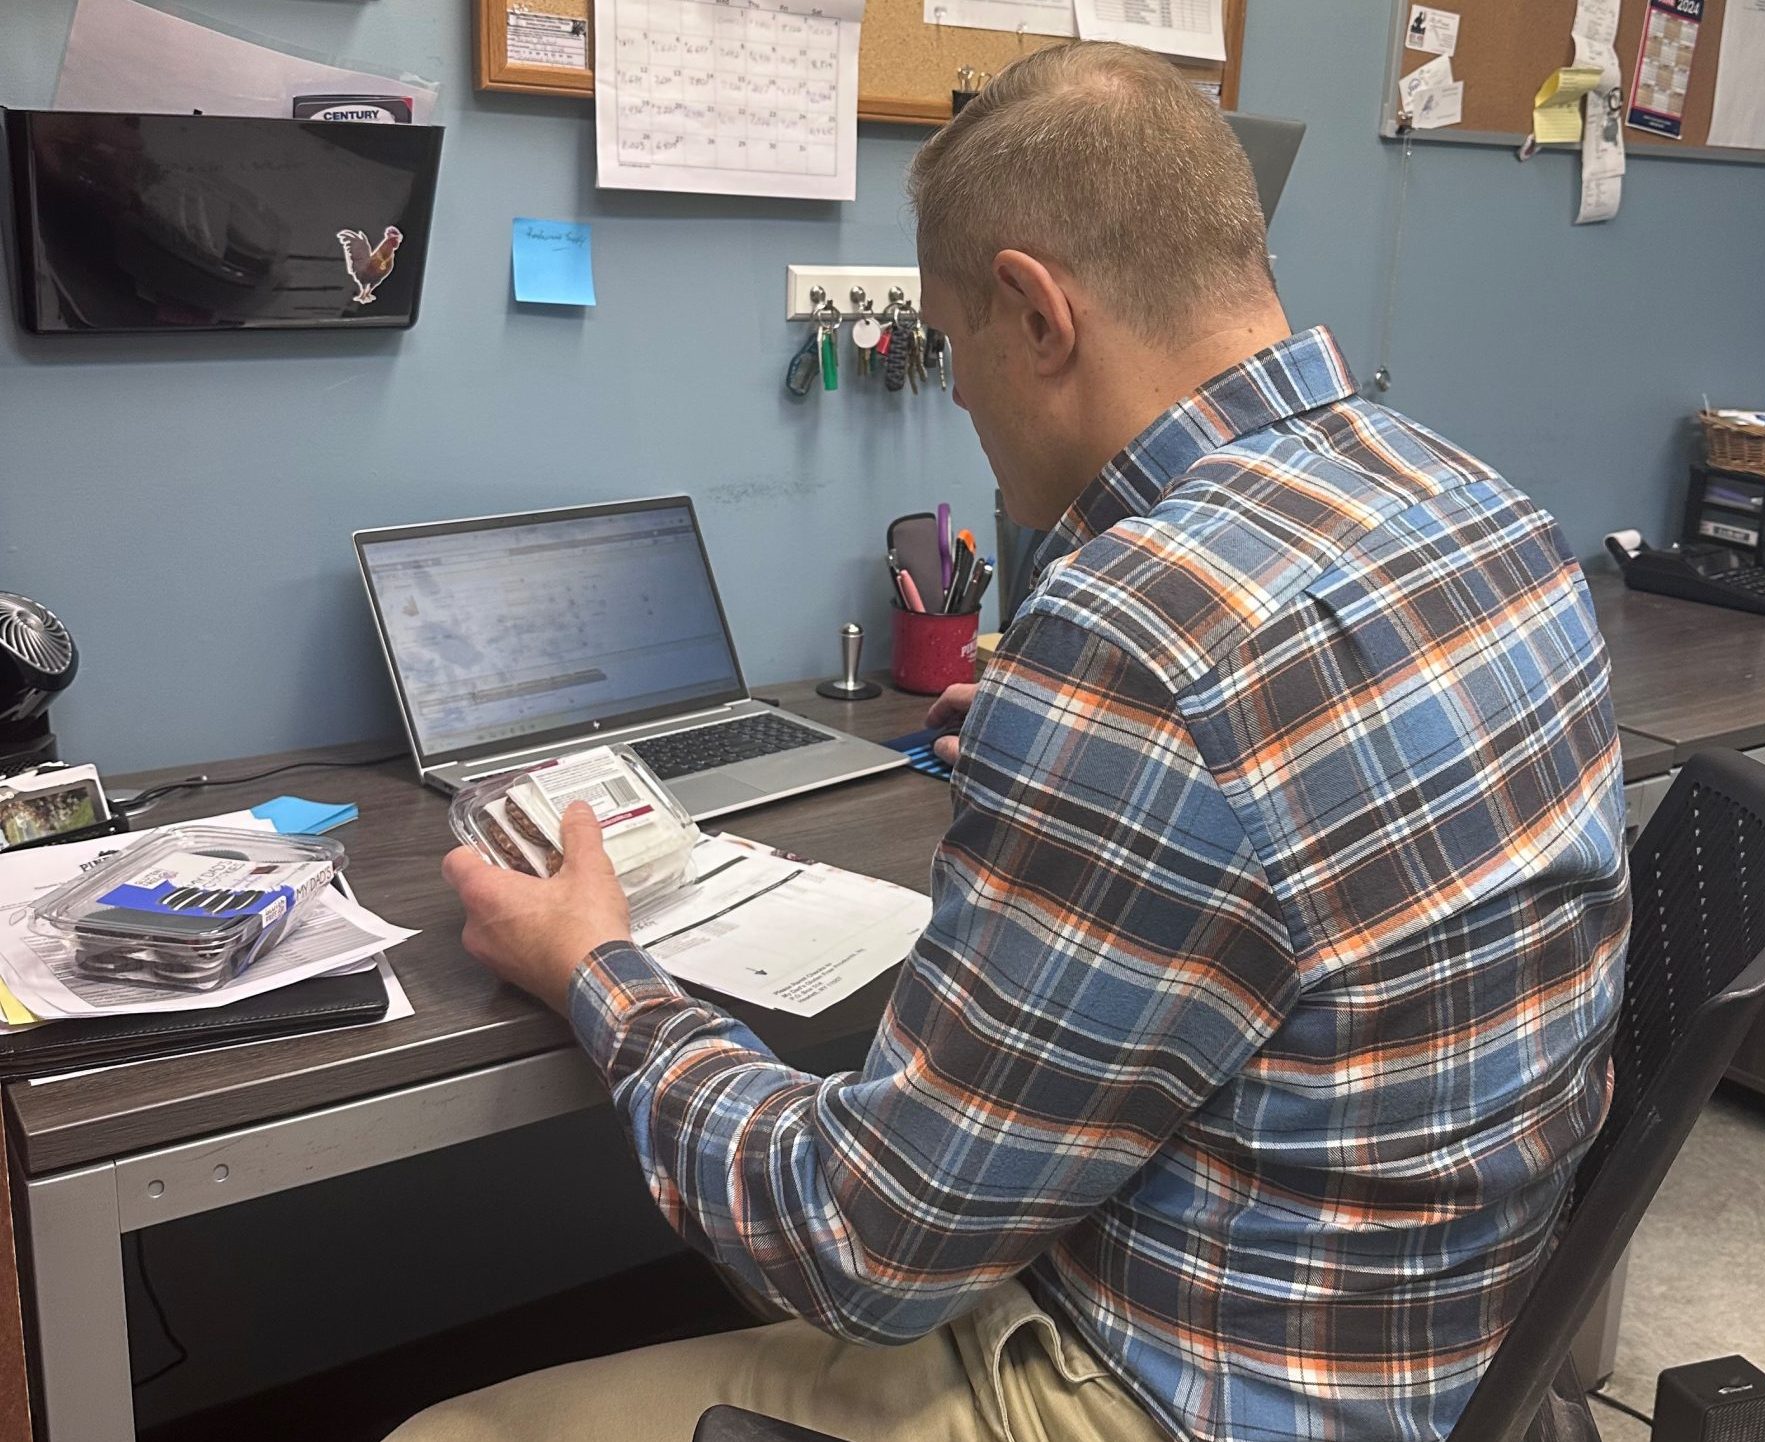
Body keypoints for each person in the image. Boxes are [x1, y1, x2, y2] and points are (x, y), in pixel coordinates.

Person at [395, 40, 1627, 1442]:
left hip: (1177, 1393)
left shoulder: (1137, 636)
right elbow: (1310, 818)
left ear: (1035, 312)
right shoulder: (1481, 509)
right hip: (1446, 1349)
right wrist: (1093, 772)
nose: (959, 398)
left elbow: (860, 1244)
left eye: (947, 340)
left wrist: (594, 969)